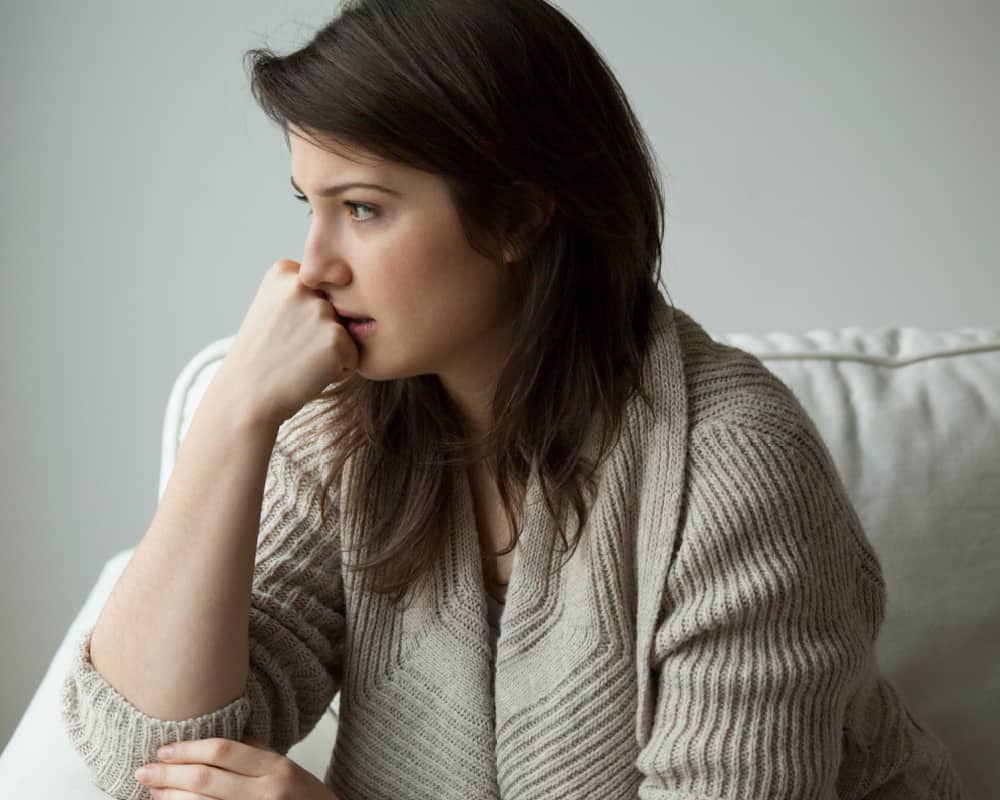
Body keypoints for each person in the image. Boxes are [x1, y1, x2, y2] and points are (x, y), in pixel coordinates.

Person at [61, 1, 965, 798]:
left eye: (365, 208)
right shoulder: (345, 434)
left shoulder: (734, 466)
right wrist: (234, 415)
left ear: (519, 217)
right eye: (309, 202)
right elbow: (153, 755)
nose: (316, 266)